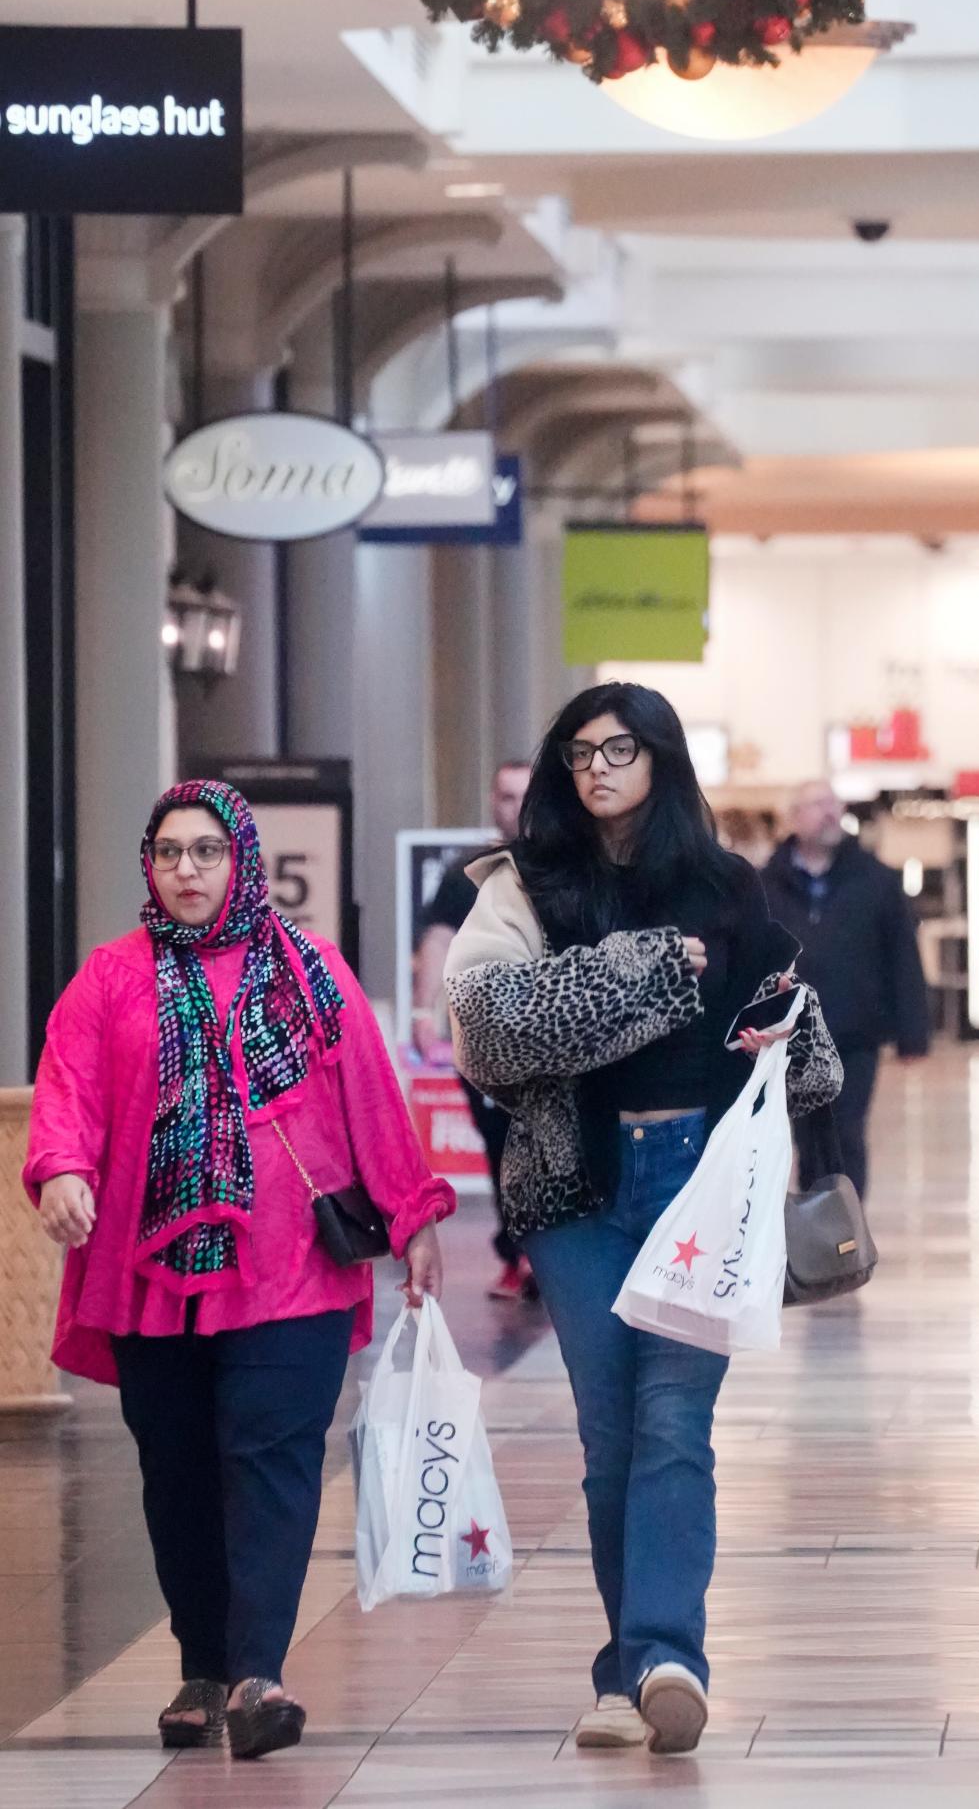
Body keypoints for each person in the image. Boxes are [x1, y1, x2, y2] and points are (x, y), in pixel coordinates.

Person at [443, 684, 842, 1756]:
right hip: (578, 1195)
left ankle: (667, 1655)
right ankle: (626, 1673)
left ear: (661, 759)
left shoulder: (726, 883)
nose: (598, 768)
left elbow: (805, 1045)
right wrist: (648, 974)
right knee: (611, 1438)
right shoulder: (523, 886)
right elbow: (486, 1030)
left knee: (673, 1425)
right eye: (579, 752)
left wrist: (778, 1031)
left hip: (700, 1184)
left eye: (619, 748)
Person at [23, 780, 454, 1761]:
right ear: (150, 863)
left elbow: (373, 1103)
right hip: (153, 1271)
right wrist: (60, 1168)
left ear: (242, 859)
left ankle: (260, 1670)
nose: (186, 869)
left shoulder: (310, 972)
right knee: (176, 1472)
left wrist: (415, 1211)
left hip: (289, 1267)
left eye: (206, 851)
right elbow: (70, 1086)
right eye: (170, 851)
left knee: (271, 1457)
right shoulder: (111, 977)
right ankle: (204, 1664)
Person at [762, 781, 929, 1198]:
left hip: (855, 1034)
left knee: (846, 1134)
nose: (831, 813)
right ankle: (814, 1231)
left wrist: (913, 1031)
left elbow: (902, 954)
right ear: (794, 817)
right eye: (818, 805)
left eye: (834, 804)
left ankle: (845, 1233)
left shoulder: (875, 879)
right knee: (806, 1137)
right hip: (791, 1037)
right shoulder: (767, 883)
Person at [411, 759, 533, 1301]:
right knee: (502, 1147)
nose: (516, 806)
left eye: (526, 795)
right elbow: (438, 939)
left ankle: (553, 1255)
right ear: (492, 801)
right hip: (484, 1041)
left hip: (558, 1041)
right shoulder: (470, 871)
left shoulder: (571, 867)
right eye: (506, 795)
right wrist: (421, 1012)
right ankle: (518, 1253)